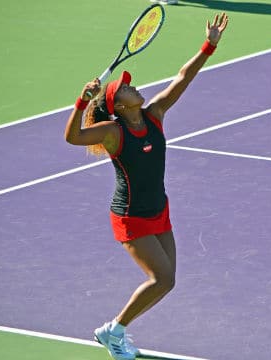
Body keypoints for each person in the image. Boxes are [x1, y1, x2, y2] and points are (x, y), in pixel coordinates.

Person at [64, 12, 228, 360]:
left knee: (168, 280)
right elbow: (73, 137)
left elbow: (183, 78)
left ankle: (115, 330)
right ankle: (114, 330)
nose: (133, 85)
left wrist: (208, 47)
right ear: (119, 106)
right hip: (131, 216)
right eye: (125, 87)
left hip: (158, 209)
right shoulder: (114, 132)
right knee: (162, 279)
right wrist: (81, 102)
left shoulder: (154, 115)